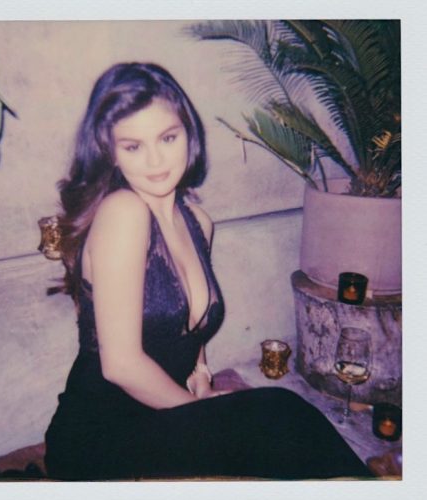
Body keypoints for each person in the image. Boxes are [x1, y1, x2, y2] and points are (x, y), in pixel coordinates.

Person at [44, 62, 372, 480]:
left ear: (189, 134)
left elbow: (190, 326)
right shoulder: (122, 212)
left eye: (168, 137)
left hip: (163, 417)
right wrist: (201, 411)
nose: (155, 160)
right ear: (109, 152)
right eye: (133, 146)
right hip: (100, 435)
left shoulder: (198, 222)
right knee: (280, 413)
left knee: (288, 423)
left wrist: (200, 373)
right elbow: (120, 364)